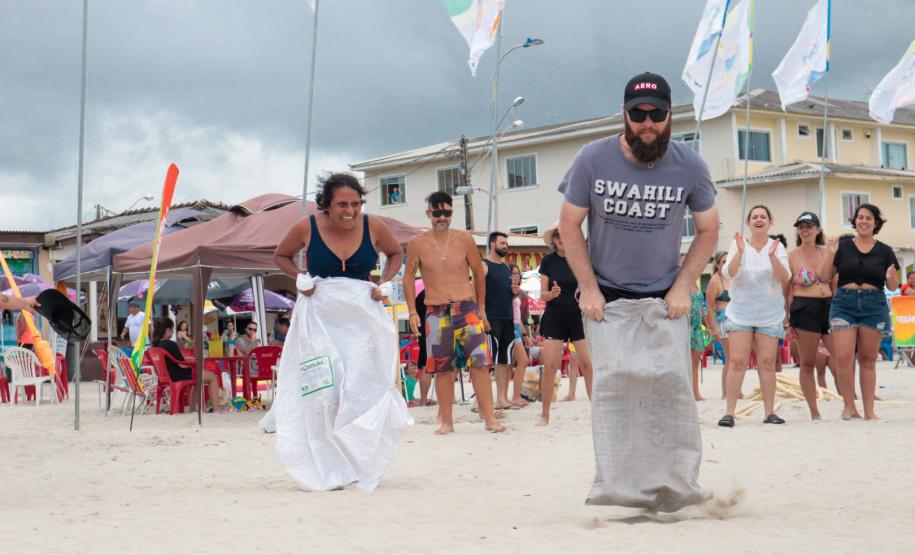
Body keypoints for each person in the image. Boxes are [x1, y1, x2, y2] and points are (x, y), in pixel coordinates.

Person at [557, 72, 718, 511]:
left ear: (670, 115)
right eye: (638, 114)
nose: (648, 123)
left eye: (657, 114)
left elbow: (708, 230)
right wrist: (587, 288)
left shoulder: (690, 165)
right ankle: (618, 493)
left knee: (671, 390)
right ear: (624, 114)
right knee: (614, 391)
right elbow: (568, 226)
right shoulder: (592, 159)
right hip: (606, 299)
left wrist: (685, 285)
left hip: (666, 297)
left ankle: (676, 489)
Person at [403, 191, 504, 434]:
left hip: (466, 307)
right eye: (436, 212)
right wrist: (412, 312)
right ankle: (446, 420)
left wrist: (480, 308)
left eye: (446, 212)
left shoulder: (464, 239)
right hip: (435, 310)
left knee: (480, 363)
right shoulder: (418, 243)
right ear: (428, 213)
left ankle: (489, 417)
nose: (441, 217)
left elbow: (479, 274)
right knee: (441, 367)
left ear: (451, 213)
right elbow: (408, 277)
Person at [819, 203, 900, 420]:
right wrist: (830, 253)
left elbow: (893, 286)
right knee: (844, 357)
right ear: (855, 221)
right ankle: (848, 406)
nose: (863, 221)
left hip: (874, 304)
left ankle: (869, 411)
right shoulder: (843, 247)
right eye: (860, 217)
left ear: (876, 224)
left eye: (868, 218)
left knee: (867, 359)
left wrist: (891, 277)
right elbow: (825, 276)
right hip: (844, 303)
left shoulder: (885, 251)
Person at [718, 206, 790, 427]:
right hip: (741, 314)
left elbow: (784, 277)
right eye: (755, 217)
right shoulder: (738, 244)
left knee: (767, 364)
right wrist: (740, 252)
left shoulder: (777, 248)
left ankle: (769, 413)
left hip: (769, 315)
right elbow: (728, 273)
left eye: (763, 216)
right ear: (749, 223)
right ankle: (729, 412)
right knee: (737, 362)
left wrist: (772, 257)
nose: (759, 219)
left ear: (770, 221)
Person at [536, 222, 593, 426]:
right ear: (553, 240)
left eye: (564, 233)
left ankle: (596, 413)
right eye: (557, 235)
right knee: (550, 366)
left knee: (588, 365)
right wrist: (550, 294)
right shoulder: (548, 261)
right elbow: (542, 294)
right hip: (555, 315)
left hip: (579, 315)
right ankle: (545, 414)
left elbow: (591, 284)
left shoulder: (582, 258)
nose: (561, 238)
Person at [786, 212, 836, 419]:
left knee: (842, 359)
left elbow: (834, 282)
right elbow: (786, 289)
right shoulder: (792, 255)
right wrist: (787, 321)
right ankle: (814, 411)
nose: (805, 230)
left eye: (809, 226)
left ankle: (850, 404)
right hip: (804, 307)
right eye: (801, 227)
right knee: (808, 362)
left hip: (828, 306)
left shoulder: (829, 251)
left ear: (817, 230)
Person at [153, 318, 222, 412]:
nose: (173, 332)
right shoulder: (171, 344)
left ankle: (192, 409)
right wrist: (192, 363)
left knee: (198, 380)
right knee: (212, 377)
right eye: (172, 329)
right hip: (179, 375)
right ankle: (217, 409)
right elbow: (182, 365)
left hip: (165, 377)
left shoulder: (156, 346)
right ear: (167, 330)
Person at [482, 231, 518, 410]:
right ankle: (498, 399)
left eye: (506, 244)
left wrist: (514, 292)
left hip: (508, 318)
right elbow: (476, 293)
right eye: (502, 243)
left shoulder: (506, 268)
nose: (505, 246)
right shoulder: (484, 265)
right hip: (492, 318)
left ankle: (503, 398)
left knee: (506, 359)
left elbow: (505, 296)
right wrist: (482, 316)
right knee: (496, 359)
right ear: (492, 244)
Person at [705, 251, 733, 398]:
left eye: (729, 261)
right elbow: (709, 306)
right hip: (723, 321)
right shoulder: (715, 281)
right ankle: (725, 392)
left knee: (736, 359)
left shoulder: (732, 278)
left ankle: (735, 390)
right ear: (717, 264)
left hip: (735, 320)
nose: (726, 264)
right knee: (730, 358)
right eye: (724, 262)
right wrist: (713, 327)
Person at [508, 264, 530, 407]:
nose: (516, 276)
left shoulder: (522, 294)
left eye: (517, 273)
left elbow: (521, 318)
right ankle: (512, 396)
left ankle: (515, 395)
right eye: (513, 273)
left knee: (520, 361)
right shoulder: (505, 291)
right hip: (507, 326)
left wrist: (526, 335)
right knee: (509, 364)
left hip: (515, 327)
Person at [688, 274, 706, 402]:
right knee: (687, 363)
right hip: (687, 326)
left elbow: (701, 308)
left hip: (698, 327)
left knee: (695, 362)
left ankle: (695, 392)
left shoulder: (696, 283)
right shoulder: (680, 284)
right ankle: (690, 392)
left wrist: (708, 325)